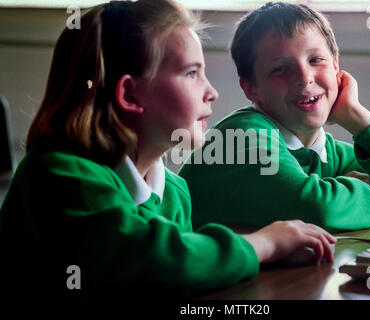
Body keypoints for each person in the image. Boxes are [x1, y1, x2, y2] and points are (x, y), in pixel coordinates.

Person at [0, 0, 336, 298]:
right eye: (192, 73)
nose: (212, 92)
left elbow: (184, 283)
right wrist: (266, 243)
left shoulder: (174, 192)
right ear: (130, 95)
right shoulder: (58, 176)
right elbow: (153, 259)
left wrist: (269, 258)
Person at [179, 2, 370, 232]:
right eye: (280, 69)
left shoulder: (324, 151)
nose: (304, 78)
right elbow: (317, 210)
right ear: (252, 89)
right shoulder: (240, 141)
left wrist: (359, 120)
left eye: (315, 60)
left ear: (336, 67)